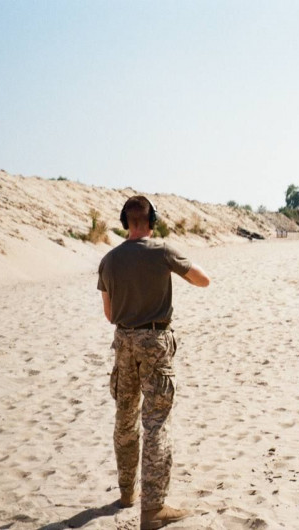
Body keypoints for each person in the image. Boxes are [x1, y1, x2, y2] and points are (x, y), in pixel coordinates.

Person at [98, 196, 210, 530]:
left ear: (125, 222)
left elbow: (109, 314)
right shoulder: (162, 251)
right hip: (155, 342)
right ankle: (153, 508)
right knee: (156, 424)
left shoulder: (109, 260)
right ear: (152, 220)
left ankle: (126, 493)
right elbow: (203, 279)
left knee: (125, 419)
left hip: (123, 342)